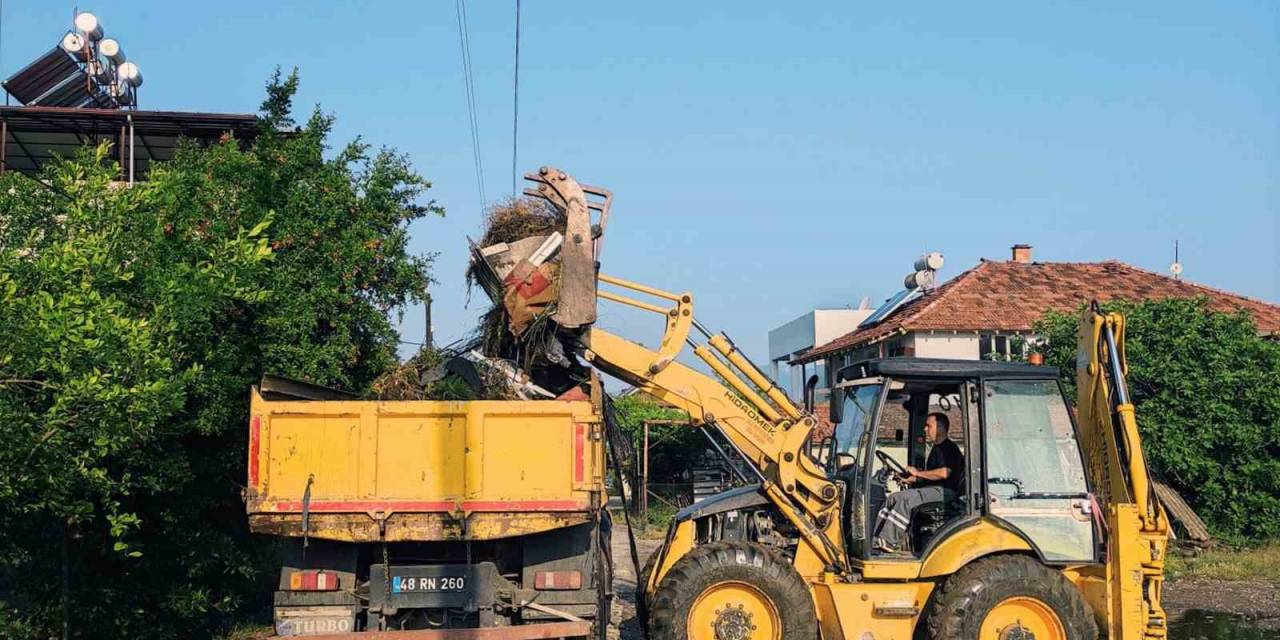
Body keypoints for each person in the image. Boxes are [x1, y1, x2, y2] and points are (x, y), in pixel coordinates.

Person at [872, 412, 964, 553]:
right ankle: (876, 538)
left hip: (946, 493)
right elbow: (930, 475)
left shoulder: (949, 448)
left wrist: (917, 473)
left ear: (940, 428)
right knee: (893, 497)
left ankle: (889, 542)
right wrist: (911, 478)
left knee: (905, 499)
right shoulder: (936, 448)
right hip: (935, 489)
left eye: (929, 426)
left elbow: (944, 473)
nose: (925, 429)